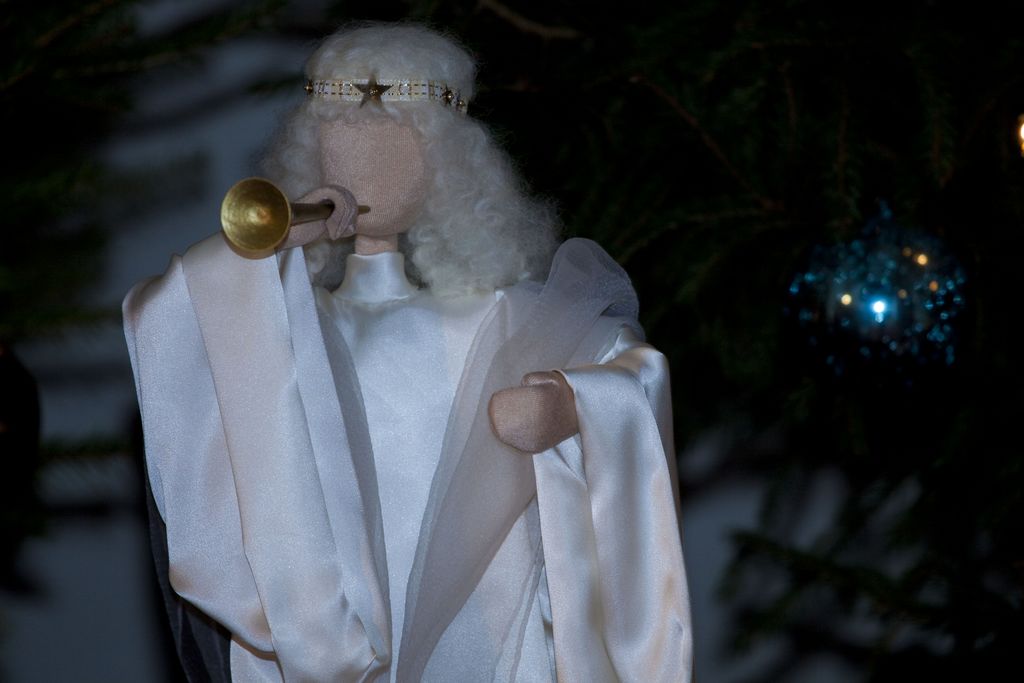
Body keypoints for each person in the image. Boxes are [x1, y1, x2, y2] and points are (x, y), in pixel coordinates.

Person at [125, 23, 692, 682]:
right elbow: (177, 324)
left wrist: (568, 405)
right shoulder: (285, 325)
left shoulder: (499, 318)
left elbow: (630, 372)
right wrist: (273, 247)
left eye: (396, 145)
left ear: (446, 162)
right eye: (340, 141)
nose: (364, 168)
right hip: (324, 622)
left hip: (489, 626)